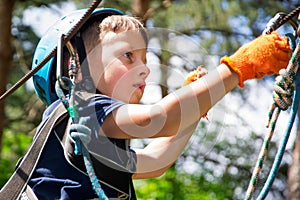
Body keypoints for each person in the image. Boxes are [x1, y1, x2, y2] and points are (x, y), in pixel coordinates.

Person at [28, 7, 291, 200]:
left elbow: (156, 160)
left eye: (144, 60)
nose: (144, 70)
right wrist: (239, 68)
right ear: (75, 67)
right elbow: (156, 119)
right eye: (128, 56)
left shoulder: (95, 141)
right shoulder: (83, 107)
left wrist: (192, 111)